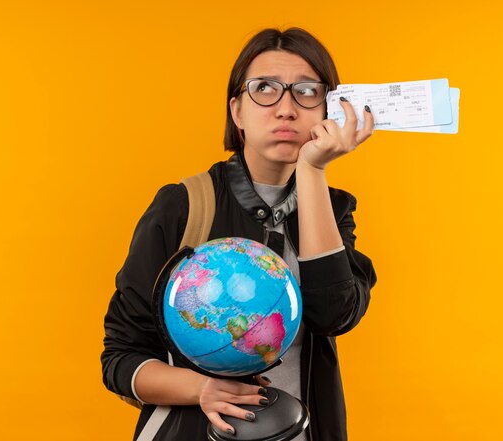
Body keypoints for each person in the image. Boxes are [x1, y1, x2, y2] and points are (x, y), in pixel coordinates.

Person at [101, 27, 378, 441]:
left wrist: (313, 171)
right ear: (237, 111)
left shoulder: (332, 207)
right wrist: (203, 390)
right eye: (264, 88)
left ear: (329, 110)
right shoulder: (183, 205)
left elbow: (333, 315)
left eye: (306, 91)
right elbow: (120, 358)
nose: (286, 109)